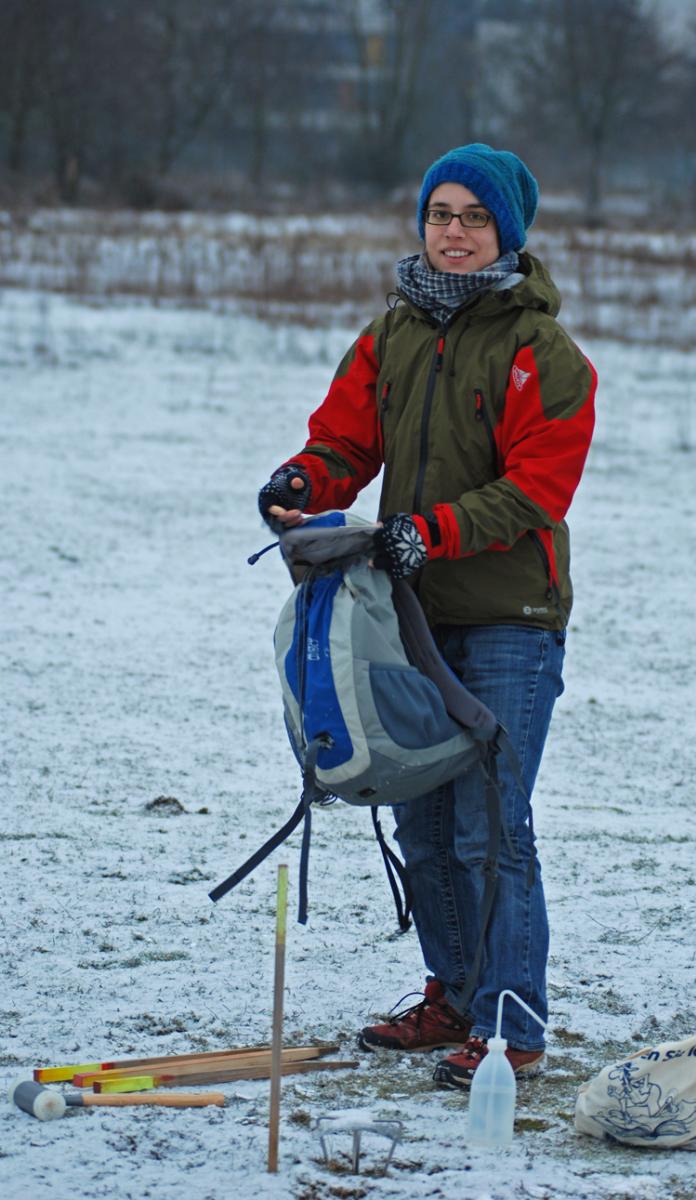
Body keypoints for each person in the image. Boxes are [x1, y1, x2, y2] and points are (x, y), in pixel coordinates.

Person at [258, 143, 596, 1091]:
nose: (452, 232)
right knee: (418, 810)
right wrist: (302, 482)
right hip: (401, 613)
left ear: (507, 232)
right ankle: (452, 993)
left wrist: (429, 532)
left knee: (490, 822)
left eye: (473, 218)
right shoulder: (391, 332)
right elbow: (343, 439)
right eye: (440, 214)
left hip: (508, 618)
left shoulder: (543, 352)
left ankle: (512, 1025)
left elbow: (537, 488)